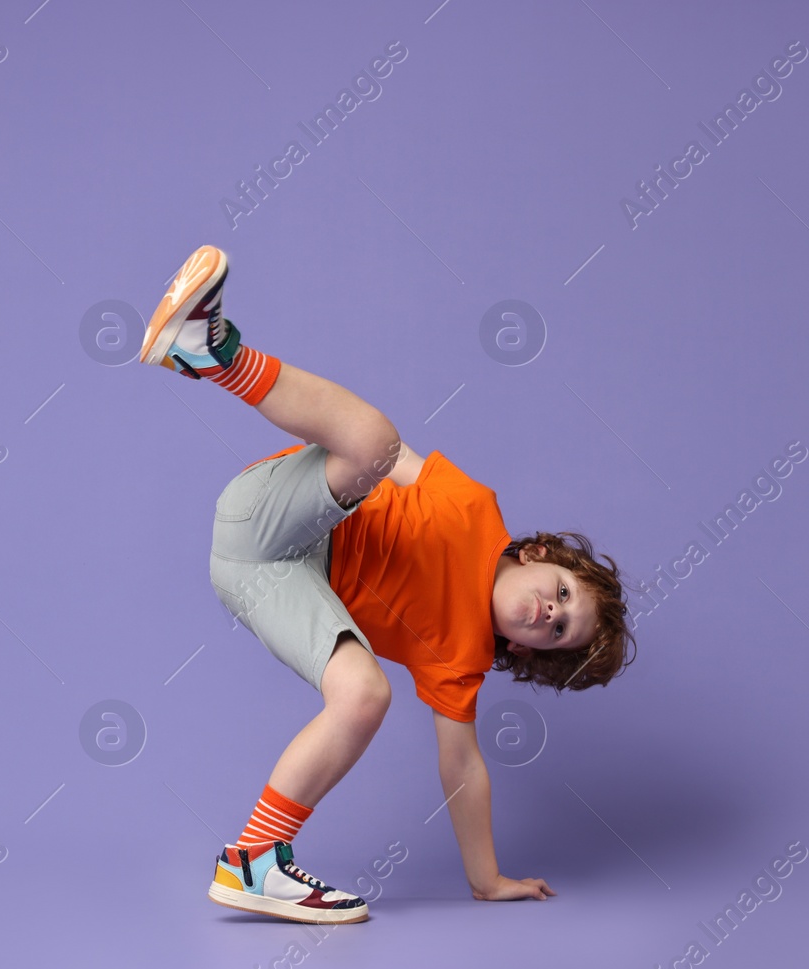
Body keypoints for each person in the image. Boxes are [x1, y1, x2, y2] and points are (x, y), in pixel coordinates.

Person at [138, 246, 635, 923]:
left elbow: (462, 770)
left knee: (365, 693)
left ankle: (253, 860)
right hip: (277, 517)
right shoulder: (474, 510)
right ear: (540, 553)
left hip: (262, 577)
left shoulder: (458, 662)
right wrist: (361, 451)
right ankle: (213, 349)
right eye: (564, 596)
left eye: (554, 632)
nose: (549, 613)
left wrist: (487, 879)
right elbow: (390, 457)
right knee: (374, 441)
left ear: (523, 652)